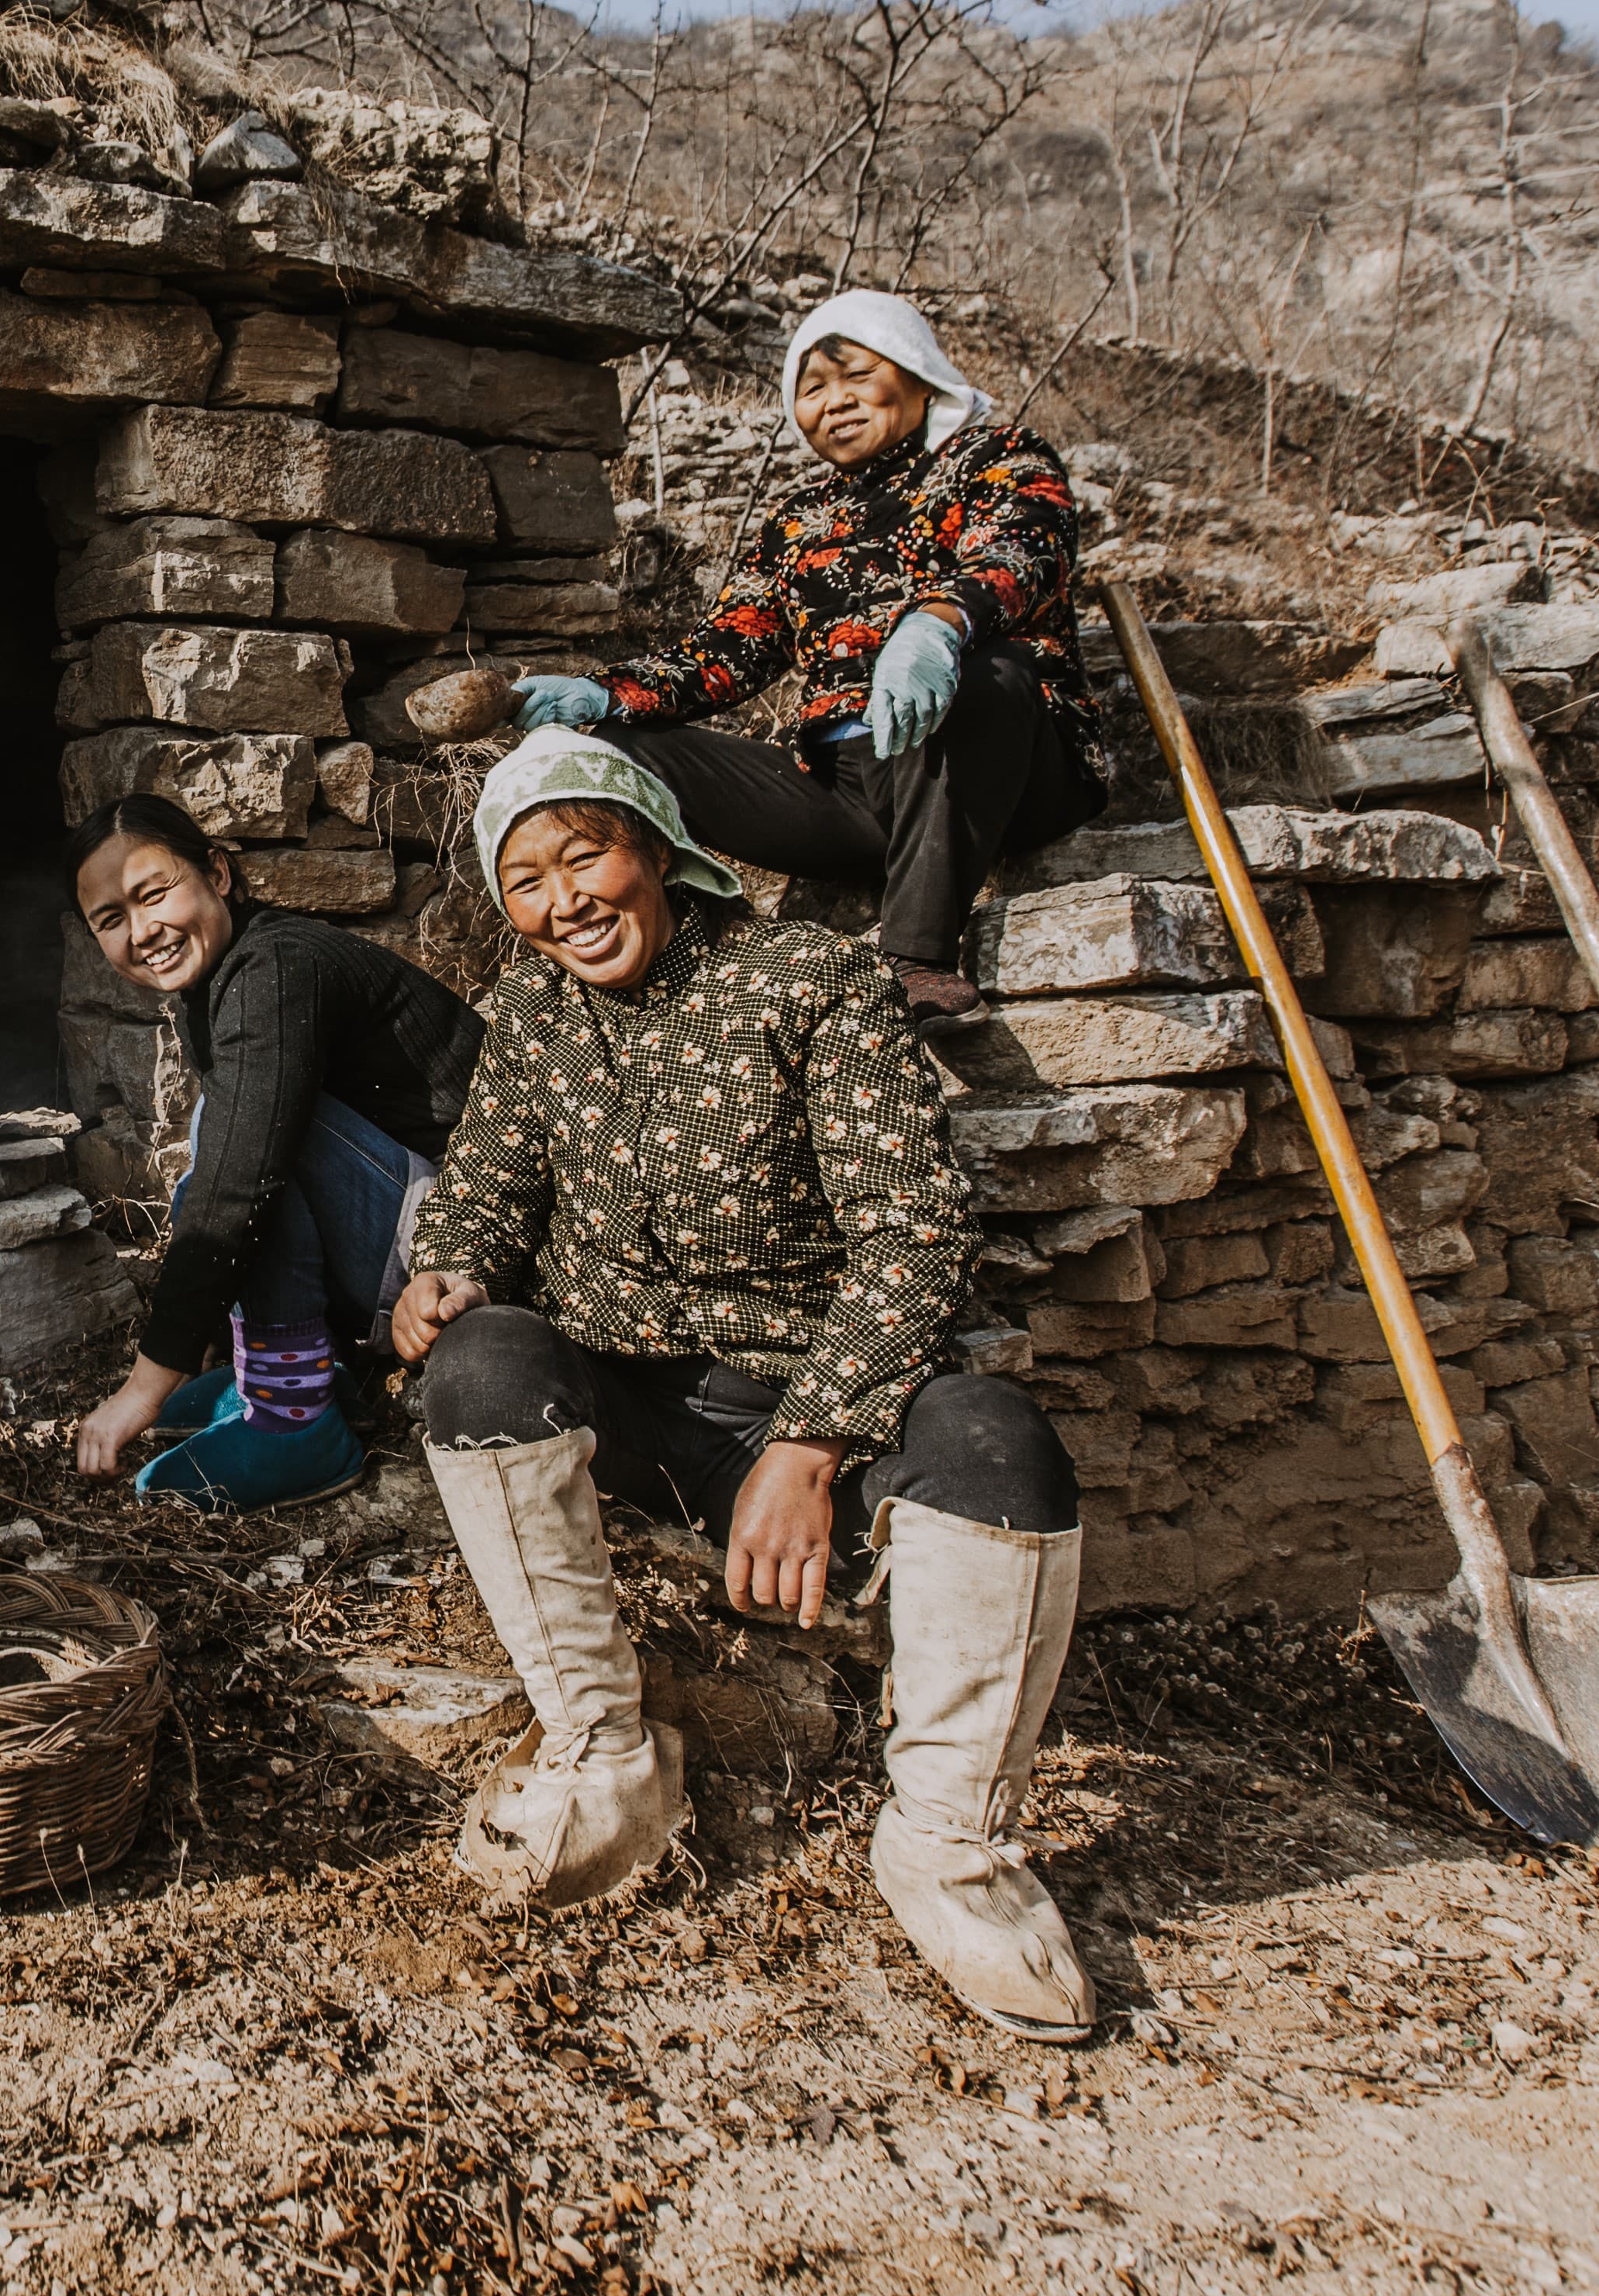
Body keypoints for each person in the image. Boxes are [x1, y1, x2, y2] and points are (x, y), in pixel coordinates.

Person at [389, 727, 1099, 2046]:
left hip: (809, 1395)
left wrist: (815, 1442)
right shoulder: (536, 1017)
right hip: (637, 1407)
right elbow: (482, 1198)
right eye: (527, 882)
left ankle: (951, 1854)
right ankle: (604, 1759)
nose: (565, 902)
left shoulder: (807, 980)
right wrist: (442, 1276)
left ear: (655, 849)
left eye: (585, 854)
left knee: (1001, 1447)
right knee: (480, 1369)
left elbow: (914, 1229)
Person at [512, 291, 1101, 1023]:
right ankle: (692, 962)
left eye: (856, 376)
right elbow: (729, 648)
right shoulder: (797, 521)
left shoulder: (1000, 459)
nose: (836, 403)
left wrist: (938, 628)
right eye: (812, 389)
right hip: (851, 789)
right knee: (621, 754)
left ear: (917, 374)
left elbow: (1019, 555)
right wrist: (603, 695)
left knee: (987, 676)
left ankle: (915, 960)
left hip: (994, 769)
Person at [64, 794, 481, 1511]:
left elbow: (237, 1186)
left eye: (153, 893)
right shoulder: (226, 977)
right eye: (111, 920)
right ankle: (304, 1371)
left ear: (218, 874)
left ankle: (294, 1421)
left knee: (236, 1145)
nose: (142, 931)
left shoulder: (277, 968)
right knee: (229, 1133)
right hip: (399, 1235)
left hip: (459, 1250)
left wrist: (143, 1389)